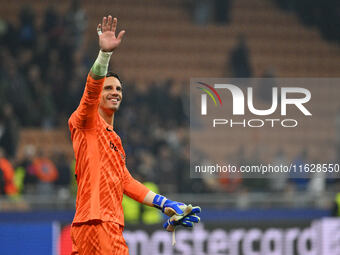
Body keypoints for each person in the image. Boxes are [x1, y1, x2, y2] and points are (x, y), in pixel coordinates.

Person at [68, 16, 201, 254]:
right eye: (108, 88)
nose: (115, 92)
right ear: (99, 94)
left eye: (118, 89)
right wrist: (105, 55)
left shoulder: (115, 140)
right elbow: (90, 91)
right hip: (97, 223)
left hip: (106, 225)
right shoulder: (85, 121)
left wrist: (165, 204)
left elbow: (126, 182)